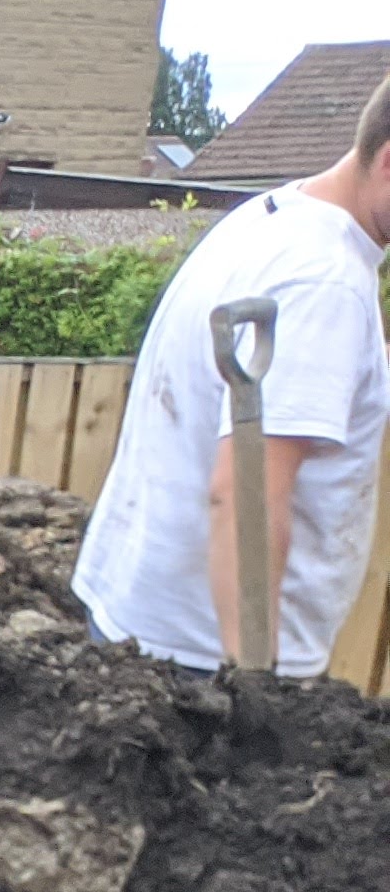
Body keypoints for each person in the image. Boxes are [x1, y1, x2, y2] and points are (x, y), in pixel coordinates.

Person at [76, 71, 390, 679]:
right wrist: (255, 691)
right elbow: (246, 491)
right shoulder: (322, 282)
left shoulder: (268, 221)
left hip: (135, 620)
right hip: (202, 663)